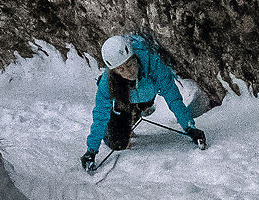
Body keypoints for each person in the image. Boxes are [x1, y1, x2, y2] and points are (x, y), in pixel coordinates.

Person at [82, 33, 204, 172]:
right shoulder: (107, 82)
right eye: (121, 69)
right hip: (123, 103)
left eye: (129, 64)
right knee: (117, 143)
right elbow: (100, 115)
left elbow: (174, 98)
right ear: (114, 71)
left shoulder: (154, 66)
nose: (128, 72)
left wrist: (190, 128)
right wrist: (91, 150)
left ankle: (135, 115)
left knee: (137, 110)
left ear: (134, 57)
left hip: (144, 100)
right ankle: (124, 119)